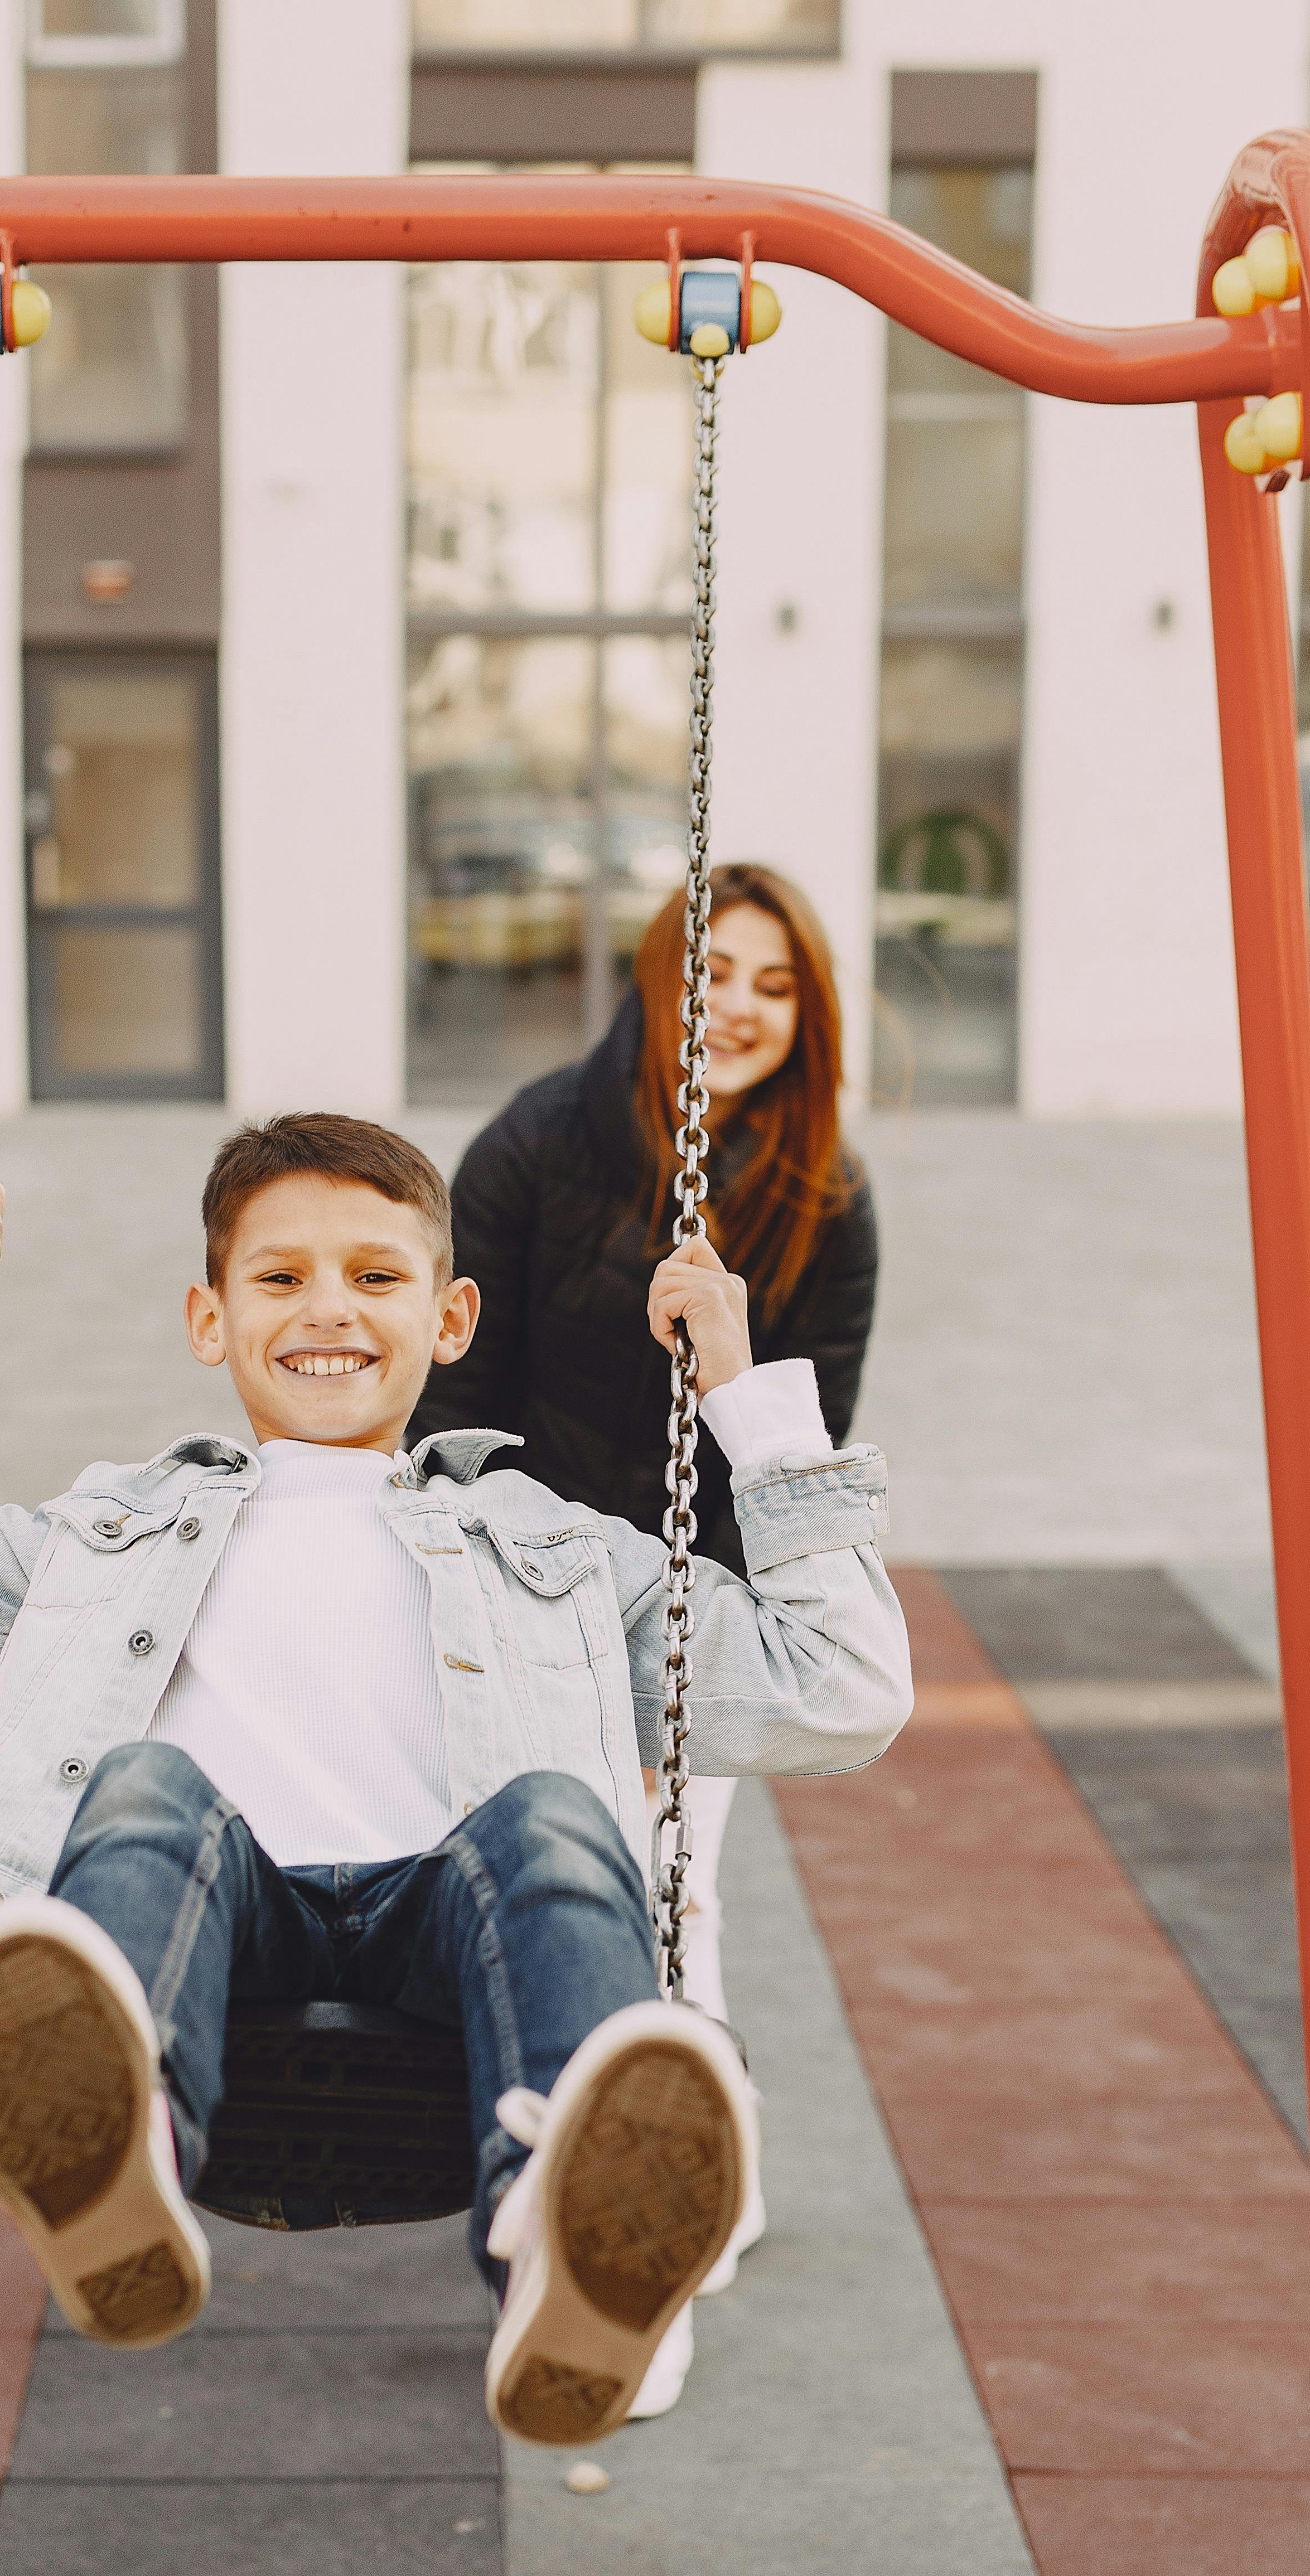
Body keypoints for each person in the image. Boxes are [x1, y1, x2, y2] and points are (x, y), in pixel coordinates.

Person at [0, 1111, 909, 2448]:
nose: (328, 1309)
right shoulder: (96, 1537)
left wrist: (744, 1392)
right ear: (208, 1319)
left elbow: (841, 1690)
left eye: (377, 1277)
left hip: (451, 1946)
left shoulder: (563, 1549)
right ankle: (115, 2136)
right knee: (147, 1787)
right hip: (206, 1935)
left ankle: (558, 2222)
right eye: (279, 1277)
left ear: (451, 1319)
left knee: (555, 1819)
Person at [413, 865, 879, 2326]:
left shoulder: (826, 1206)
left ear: (808, 1013)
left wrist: (694, 1681)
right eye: (711, 972)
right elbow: (455, 1410)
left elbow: (781, 1471)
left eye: (773, 982)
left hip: (694, 1605)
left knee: (673, 1898)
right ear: (654, 982)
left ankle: (674, 2216)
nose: (736, 1007)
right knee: (539, 1893)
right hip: (519, 1585)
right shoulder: (538, 1145)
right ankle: (561, 2169)